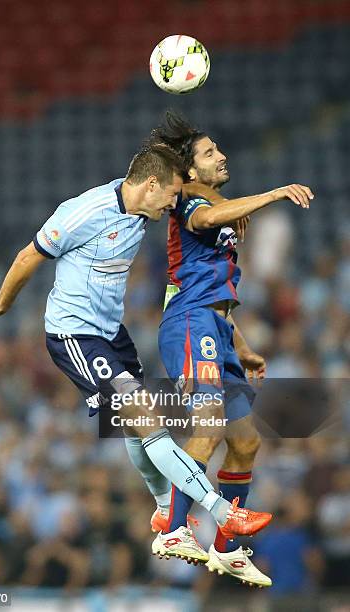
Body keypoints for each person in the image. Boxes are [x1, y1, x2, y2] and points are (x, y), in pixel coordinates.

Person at [0, 143, 273, 551]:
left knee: (133, 425)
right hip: (74, 335)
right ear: (151, 185)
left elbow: (186, 187)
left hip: (111, 333)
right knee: (148, 418)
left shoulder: (145, 207)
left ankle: (165, 511)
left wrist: (222, 201)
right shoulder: (84, 212)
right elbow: (27, 257)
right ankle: (219, 512)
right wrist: (2, 305)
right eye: (171, 194)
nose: (173, 204)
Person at [123, 112, 313, 586]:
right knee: (208, 420)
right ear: (188, 171)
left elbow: (217, 289)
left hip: (214, 328)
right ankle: (175, 528)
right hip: (189, 324)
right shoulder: (187, 200)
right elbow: (206, 220)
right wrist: (271, 194)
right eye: (209, 153)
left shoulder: (219, 206)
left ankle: (227, 548)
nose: (221, 156)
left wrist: (242, 345)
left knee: (246, 442)